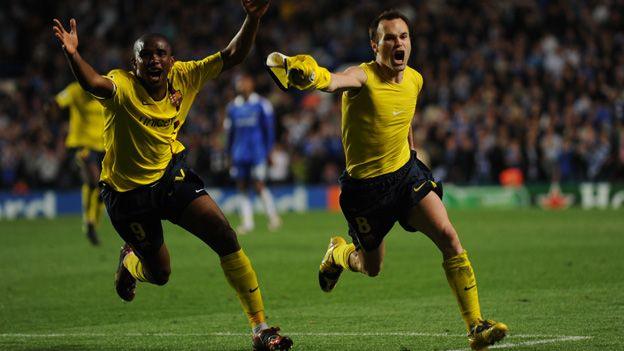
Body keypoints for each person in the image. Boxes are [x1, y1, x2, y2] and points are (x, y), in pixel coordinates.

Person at [52, 1, 293, 349]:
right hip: (127, 194)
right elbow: (93, 83)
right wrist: (73, 55)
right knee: (161, 274)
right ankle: (130, 264)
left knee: (225, 236)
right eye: (145, 55)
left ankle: (260, 328)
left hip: (169, 177)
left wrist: (252, 18)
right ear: (133, 64)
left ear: (172, 59)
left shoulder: (186, 75)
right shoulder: (121, 86)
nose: (154, 60)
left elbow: (232, 55)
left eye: (161, 54)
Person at [266, 10, 507, 350]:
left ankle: (475, 327)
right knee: (371, 267)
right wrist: (308, 73)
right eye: (390, 37)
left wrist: (412, 152)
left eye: (403, 36)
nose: (398, 43)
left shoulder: (415, 80)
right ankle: (337, 253)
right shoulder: (363, 76)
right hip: (365, 192)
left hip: (406, 174)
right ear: (374, 45)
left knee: (449, 236)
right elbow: (333, 80)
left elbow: (403, 117)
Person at [226, 72, 282, 234]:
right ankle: (247, 223)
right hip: (239, 153)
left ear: (252, 84)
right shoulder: (232, 107)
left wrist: (269, 151)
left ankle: (273, 217)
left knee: (259, 185)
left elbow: (269, 131)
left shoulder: (262, 104)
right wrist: (229, 154)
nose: (241, 84)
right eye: (239, 82)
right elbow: (230, 134)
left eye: (244, 81)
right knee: (242, 186)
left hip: (257, 153)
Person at [52, 82, 105, 245]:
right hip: (82, 145)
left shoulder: (105, 92)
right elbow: (57, 102)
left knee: (101, 186)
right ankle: (89, 221)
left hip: (104, 147)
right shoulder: (74, 90)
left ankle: (92, 224)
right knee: (95, 179)